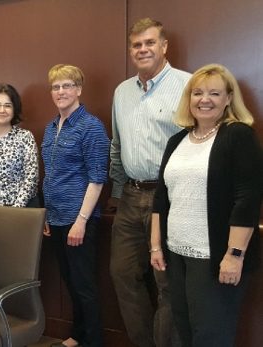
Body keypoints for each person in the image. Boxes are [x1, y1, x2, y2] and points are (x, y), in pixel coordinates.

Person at [150, 64, 262, 347]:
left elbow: (247, 199)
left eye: (214, 93)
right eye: (197, 93)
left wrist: (235, 255)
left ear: (228, 98)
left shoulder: (237, 135)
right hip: (176, 255)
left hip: (214, 258)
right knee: (185, 331)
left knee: (211, 337)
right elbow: (161, 198)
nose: (205, 99)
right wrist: (156, 246)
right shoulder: (177, 140)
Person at [108, 18, 190, 347]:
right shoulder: (122, 91)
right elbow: (117, 146)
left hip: (170, 199)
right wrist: (116, 194)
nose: (143, 49)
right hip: (130, 195)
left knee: (167, 282)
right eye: (136, 45)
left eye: (150, 42)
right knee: (123, 275)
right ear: (130, 51)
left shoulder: (187, 85)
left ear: (164, 46)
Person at [42, 65, 109, 347]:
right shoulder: (50, 127)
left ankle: (93, 341)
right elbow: (50, 173)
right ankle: (78, 334)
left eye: (67, 86)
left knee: (84, 286)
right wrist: (46, 213)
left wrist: (81, 220)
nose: (61, 92)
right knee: (70, 282)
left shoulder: (91, 126)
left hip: (78, 219)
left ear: (79, 89)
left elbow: (97, 178)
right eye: (56, 87)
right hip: (55, 218)